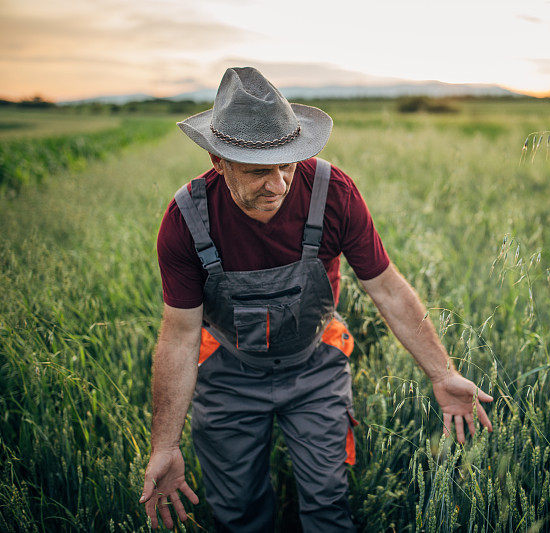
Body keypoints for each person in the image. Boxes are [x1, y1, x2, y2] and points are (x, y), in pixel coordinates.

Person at [138, 66, 494, 532]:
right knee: (236, 511)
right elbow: (180, 336)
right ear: (217, 160)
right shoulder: (186, 219)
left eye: (287, 163)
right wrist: (164, 445)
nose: (279, 185)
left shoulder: (333, 193)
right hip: (227, 371)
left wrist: (442, 372)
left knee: (327, 504)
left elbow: (385, 286)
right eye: (257, 172)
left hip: (315, 365)